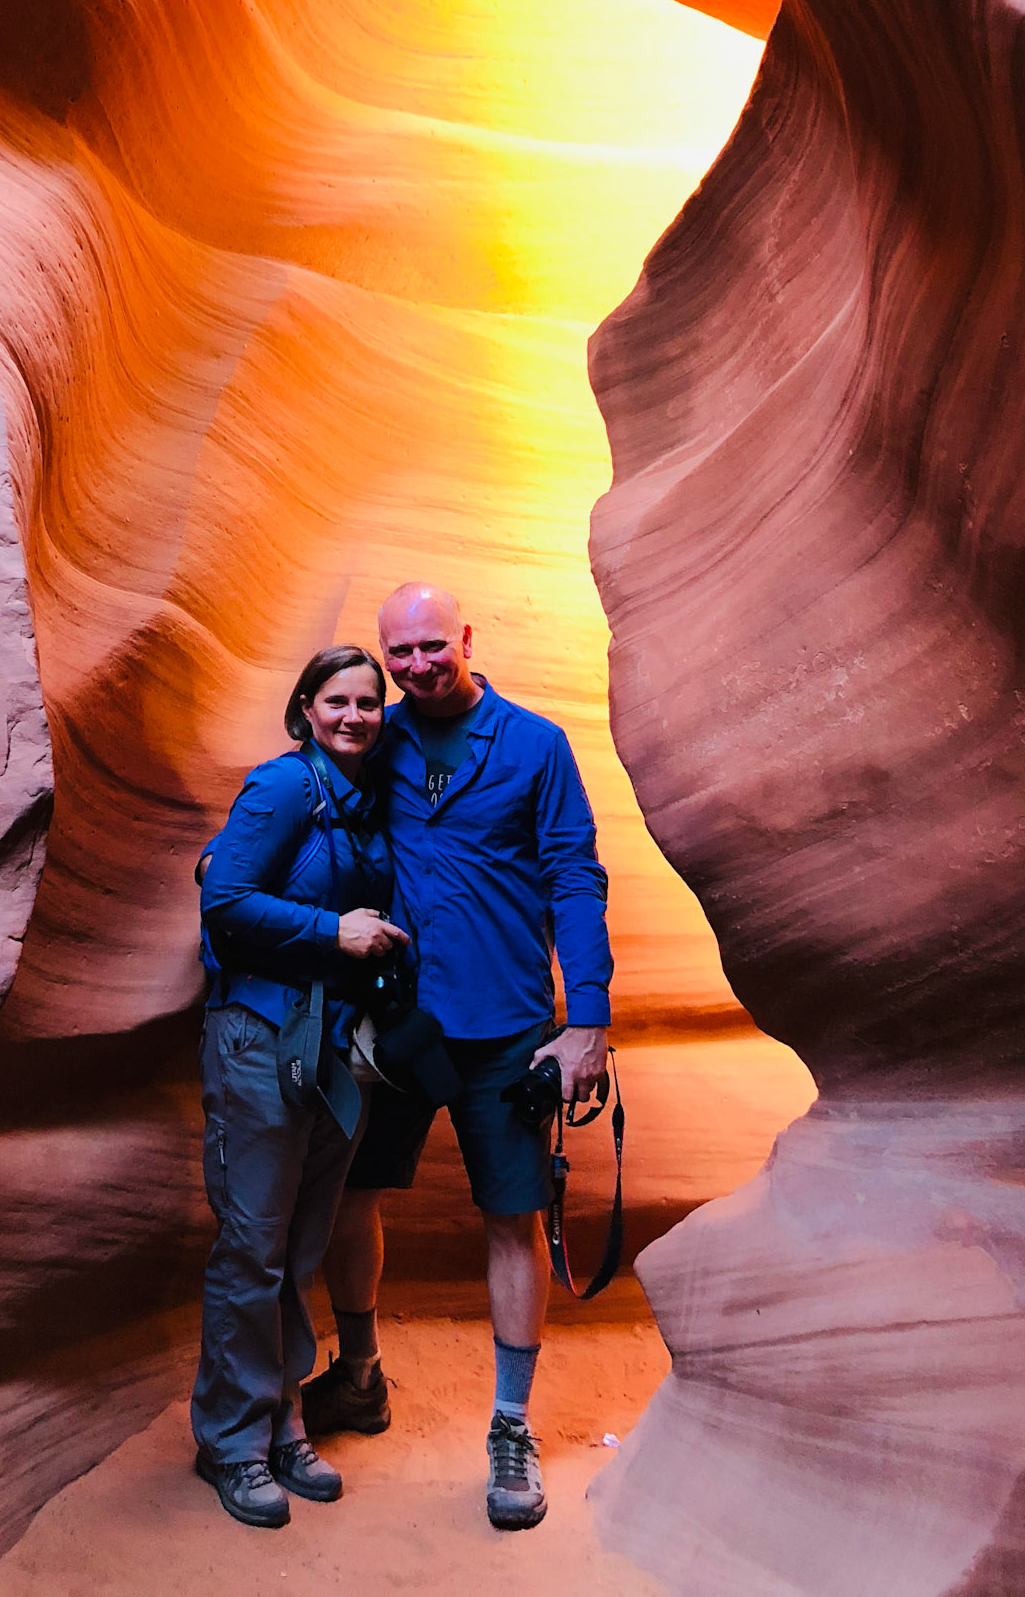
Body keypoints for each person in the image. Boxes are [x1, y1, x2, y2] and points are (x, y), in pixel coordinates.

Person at [301, 584, 613, 1532]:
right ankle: (359, 1376)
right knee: (353, 1196)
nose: (417, 666)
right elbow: (298, 797)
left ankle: (510, 1425)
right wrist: (227, 861)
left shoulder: (535, 746)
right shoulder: (374, 738)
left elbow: (574, 874)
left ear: (467, 639)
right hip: (396, 1029)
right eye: (401, 653)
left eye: (433, 645)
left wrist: (588, 1021)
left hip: (509, 1032)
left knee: (511, 1220)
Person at [191, 644, 409, 1529]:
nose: (355, 716)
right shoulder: (286, 788)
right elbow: (225, 900)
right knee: (253, 1248)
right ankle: (230, 1443)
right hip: (260, 1040)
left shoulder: (367, 803)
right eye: (338, 701)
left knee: (299, 1246)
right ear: (306, 707)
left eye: (368, 703)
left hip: (333, 1049)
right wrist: (333, 931)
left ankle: (279, 1417)